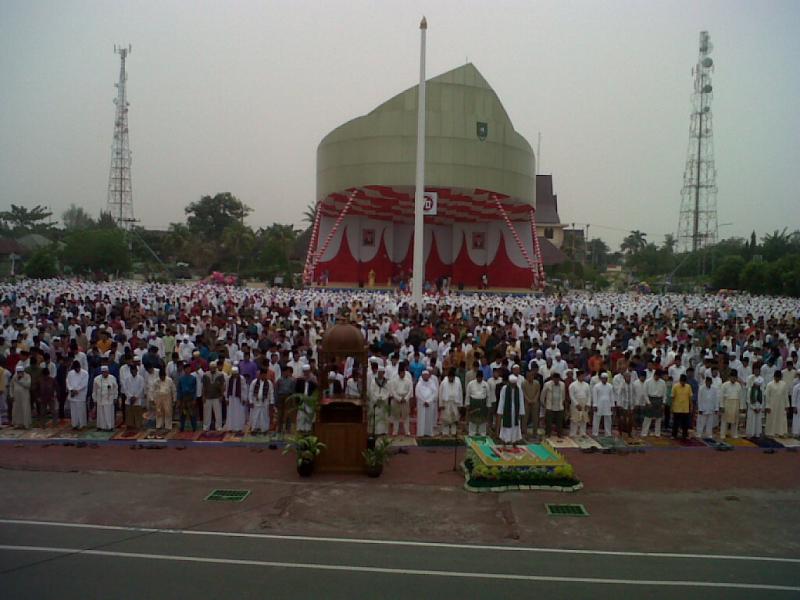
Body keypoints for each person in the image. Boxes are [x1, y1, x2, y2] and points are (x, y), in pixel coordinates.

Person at [496, 374, 525, 443]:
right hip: (506, 410)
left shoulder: (519, 389)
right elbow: (502, 400)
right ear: (509, 383)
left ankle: (514, 440)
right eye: (512, 384)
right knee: (506, 426)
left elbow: (521, 400)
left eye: (514, 384)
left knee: (515, 425)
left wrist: (521, 412)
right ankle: (506, 440)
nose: (513, 385)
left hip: (516, 410)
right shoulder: (504, 388)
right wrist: (500, 411)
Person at [389, 362, 413, 436]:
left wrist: (405, 398)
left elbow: (410, 390)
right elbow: (393, 390)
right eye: (401, 373)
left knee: (406, 416)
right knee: (396, 416)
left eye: (404, 373)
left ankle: (407, 431)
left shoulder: (408, 380)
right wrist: (399, 398)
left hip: (405, 399)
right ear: (399, 373)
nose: (403, 374)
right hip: (396, 399)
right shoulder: (394, 380)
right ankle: (395, 431)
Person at [641, 369, 666, 437]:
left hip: (659, 400)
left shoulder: (663, 382)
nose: (657, 377)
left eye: (659, 376)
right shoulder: (648, 381)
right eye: (656, 376)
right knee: (647, 417)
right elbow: (645, 393)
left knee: (658, 418)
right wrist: (648, 402)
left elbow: (664, 394)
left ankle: (657, 433)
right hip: (650, 399)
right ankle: (644, 433)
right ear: (654, 375)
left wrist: (663, 403)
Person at [248, 368, 274, 434]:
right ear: (260, 375)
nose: (264, 376)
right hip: (255, 402)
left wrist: (271, 402)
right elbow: (250, 392)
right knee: (255, 416)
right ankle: (254, 429)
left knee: (264, 416)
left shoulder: (269, 383)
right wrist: (250, 401)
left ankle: (264, 429)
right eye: (263, 375)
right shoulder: (254, 382)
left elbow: (271, 393)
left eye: (265, 375)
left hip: (265, 402)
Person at [438, 367, 463, 436]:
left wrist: (460, 405)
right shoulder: (444, 382)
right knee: (446, 419)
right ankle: (445, 433)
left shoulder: (458, 383)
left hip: (455, 403)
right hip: (446, 403)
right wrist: (441, 404)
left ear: (454, 377)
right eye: (450, 377)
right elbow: (440, 393)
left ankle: (453, 432)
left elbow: (460, 393)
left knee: (454, 419)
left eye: (452, 377)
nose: (451, 379)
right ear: (448, 377)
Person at [202, 361, 226, 432]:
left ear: (216, 367)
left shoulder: (220, 375)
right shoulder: (205, 375)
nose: (212, 369)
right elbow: (204, 386)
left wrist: (221, 395)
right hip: (207, 397)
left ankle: (218, 426)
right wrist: (203, 396)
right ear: (209, 368)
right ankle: (206, 426)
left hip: (217, 397)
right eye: (211, 367)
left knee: (218, 413)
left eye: (214, 367)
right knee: (206, 413)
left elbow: (222, 386)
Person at [93, 365, 118, 431]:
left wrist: (115, 397)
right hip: (100, 399)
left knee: (108, 413)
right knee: (101, 414)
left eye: (106, 372)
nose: (105, 373)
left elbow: (115, 388)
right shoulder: (96, 379)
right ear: (101, 372)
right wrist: (94, 399)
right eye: (103, 372)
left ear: (108, 372)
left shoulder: (112, 378)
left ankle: (109, 427)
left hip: (109, 399)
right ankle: (101, 426)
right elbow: (94, 390)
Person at [719, 370, 743, 439]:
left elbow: (741, 397)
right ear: (729, 377)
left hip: (736, 403)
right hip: (727, 403)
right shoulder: (724, 385)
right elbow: (721, 396)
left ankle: (734, 434)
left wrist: (741, 407)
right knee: (724, 420)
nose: (733, 379)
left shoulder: (738, 385)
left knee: (735, 420)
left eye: (735, 377)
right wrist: (721, 406)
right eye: (732, 377)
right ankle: (723, 434)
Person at [466, 369, 490, 436]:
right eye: (478, 377)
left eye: (480, 377)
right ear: (476, 377)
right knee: (472, 420)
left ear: (482, 377)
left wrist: (488, 405)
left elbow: (488, 396)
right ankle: (471, 433)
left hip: (482, 404)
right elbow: (467, 395)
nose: (479, 379)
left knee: (482, 421)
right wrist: (467, 404)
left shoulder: (486, 384)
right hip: (473, 403)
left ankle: (482, 433)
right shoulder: (471, 384)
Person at [367, 365, 390, 435]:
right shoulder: (374, 381)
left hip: (383, 402)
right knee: (375, 416)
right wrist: (377, 398)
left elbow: (388, 391)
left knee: (384, 416)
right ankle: (375, 431)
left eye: (381, 373)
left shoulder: (386, 382)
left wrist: (382, 398)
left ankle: (384, 431)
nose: (380, 374)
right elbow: (371, 391)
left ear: (383, 373)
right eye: (379, 373)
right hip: (376, 402)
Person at [542, 372, 566, 438]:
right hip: (550, 406)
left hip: (559, 406)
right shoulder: (547, 384)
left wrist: (563, 401)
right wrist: (543, 403)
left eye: (558, 379)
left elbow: (563, 394)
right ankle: (548, 433)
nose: (556, 381)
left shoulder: (562, 384)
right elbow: (543, 395)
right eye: (555, 379)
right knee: (548, 422)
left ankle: (560, 434)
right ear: (553, 379)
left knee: (559, 421)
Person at [764, 370, 789, 437]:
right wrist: (767, 406)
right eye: (776, 377)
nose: (777, 379)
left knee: (781, 418)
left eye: (779, 377)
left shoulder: (784, 384)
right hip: (772, 404)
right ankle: (770, 432)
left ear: (780, 377)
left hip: (781, 405)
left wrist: (787, 405)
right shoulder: (769, 384)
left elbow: (786, 395)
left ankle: (780, 432)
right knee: (771, 418)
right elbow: (767, 396)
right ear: (774, 377)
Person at [66, 360, 89, 430]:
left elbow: (84, 383)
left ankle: (82, 424)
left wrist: (77, 390)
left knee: (81, 410)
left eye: (78, 368)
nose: (77, 370)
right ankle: (74, 424)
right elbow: (67, 382)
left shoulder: (85, 373)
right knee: (73, 411)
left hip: (81, 394)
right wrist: (71, 389)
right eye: (76, 369)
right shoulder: (70, 373)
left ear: (80, 367)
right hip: (72, 394)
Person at [225, 366, 248, 434]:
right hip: (231, 398)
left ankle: (239, 428)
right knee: (230, 413)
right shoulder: (228, 378)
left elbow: (244, 389)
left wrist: (244, 398)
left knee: (239, 413)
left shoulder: (241, 378)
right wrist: (226, 398)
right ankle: (230, 427)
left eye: (236, 374)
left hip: (239, 398)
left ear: (238, 373)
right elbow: (226, 388)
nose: (235, 376)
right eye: (233, 374)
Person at [415, 370, 438, 437]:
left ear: (428, 376)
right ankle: (421, 433)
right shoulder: (419, 384)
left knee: (429, 419)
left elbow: (435, 393)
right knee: (421, 419)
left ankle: (428, 433)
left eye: (426, 375)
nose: (425, 376)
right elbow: (417, 394)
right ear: (422, 376)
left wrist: (428, 401)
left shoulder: (432, 383)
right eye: (424, 375)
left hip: (429, 404)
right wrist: (424, 401)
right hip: (421, 404)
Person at [590, 372, 614, 436]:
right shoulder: (596, 386)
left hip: (608, 404)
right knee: (596, 419)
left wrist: (612, 405)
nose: (604, 380)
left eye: (606, 378)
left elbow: (612, 396)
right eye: (603, 378)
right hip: (598, 404)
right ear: (600, 378)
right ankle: (595, 433)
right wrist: (595, 405)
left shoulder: (610, 386)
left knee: (608, 419)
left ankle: (608, 433)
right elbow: (594, 396)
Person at [123, 364, 146, 430]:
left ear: (136, 370)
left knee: (137, 413)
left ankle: (138, 425)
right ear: (130, 371)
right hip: (129, 399)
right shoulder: (127, 379)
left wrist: (135, 397)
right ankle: (130, 425)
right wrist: (130, 396)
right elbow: (125, 389)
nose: (133, 372)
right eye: (132, 370)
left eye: (134, 370)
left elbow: (141, 388)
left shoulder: (141, 378)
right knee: (129, 413)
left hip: (137, 399)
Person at [568, 370, 590, 438]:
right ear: (578, 376)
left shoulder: (586, 385)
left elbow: (589, 395)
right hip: (576, 403)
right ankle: (573, 433)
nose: (582, 377)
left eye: (583, 376)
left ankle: (583, 433)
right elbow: (571, 395)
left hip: (584, 402)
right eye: (581, 376)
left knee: (584, 419)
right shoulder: (573, 385)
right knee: (575, 419)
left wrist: (588, 404)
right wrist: (576, 404)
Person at [177, 364, 198, 432]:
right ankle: (182, 427)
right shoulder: (181, 379)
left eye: (189, 368)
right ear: (184, 370)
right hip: (183, 398)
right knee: (183, 413)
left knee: (192, 413)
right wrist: (178, 400)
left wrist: (194, 399)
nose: (188, 370)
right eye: (186, 369)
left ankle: (194, 427)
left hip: (190, 397)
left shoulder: (193, 378)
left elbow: (195, 389)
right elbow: (179, 390)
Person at [274, 365, 295, 434]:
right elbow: (276, 390)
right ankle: (279, 428)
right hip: (280, 397)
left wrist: (292, 400)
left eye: (288, 372)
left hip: (288, 397)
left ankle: (288, 428)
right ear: (283, 372)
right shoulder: (279, 380)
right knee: (280, 413)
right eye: (285, 372)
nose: (287, 373)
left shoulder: (292, 380)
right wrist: (276, 400)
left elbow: (293, 390)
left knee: (288, 413)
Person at [10, 364, 32, 429]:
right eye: (18, 372)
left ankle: (25, 424)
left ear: (23, 371)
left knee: (25, 409)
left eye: (20, 372)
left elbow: (28, 385)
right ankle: (17, 424)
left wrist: (20, 380)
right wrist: (11, 395)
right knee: (16, 410)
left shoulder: (27, 376)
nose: (19, 373)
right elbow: (11, 386)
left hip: (24, 396)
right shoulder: (14, 376)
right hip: (16, 397)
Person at [671, 373, 692, 439]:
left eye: (684, 382)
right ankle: (674, 435)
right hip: (677, 407)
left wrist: (691, 406)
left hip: (685, 408)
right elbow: (672, 397)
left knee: (685, 423)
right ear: (680, 380)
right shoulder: (675, 386)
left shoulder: (688, 387)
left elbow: (690, 397)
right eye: (682, 381)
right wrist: (672, 407)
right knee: (675, 423)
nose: (683, 383)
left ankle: (684, 435)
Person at [522, 368, 541, 439]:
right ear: (527, 376)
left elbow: (538, 392)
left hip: (535, 403)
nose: (530, 377)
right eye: (529, 376)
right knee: (525, 418)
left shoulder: (537, 383)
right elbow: (523, 393)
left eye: (531, 375)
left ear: (533, 376)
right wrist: (528, 400)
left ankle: (535, 433)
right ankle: (524, 433)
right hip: (526, 403)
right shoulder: (523, 383)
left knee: (535, 418)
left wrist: (534, 400)